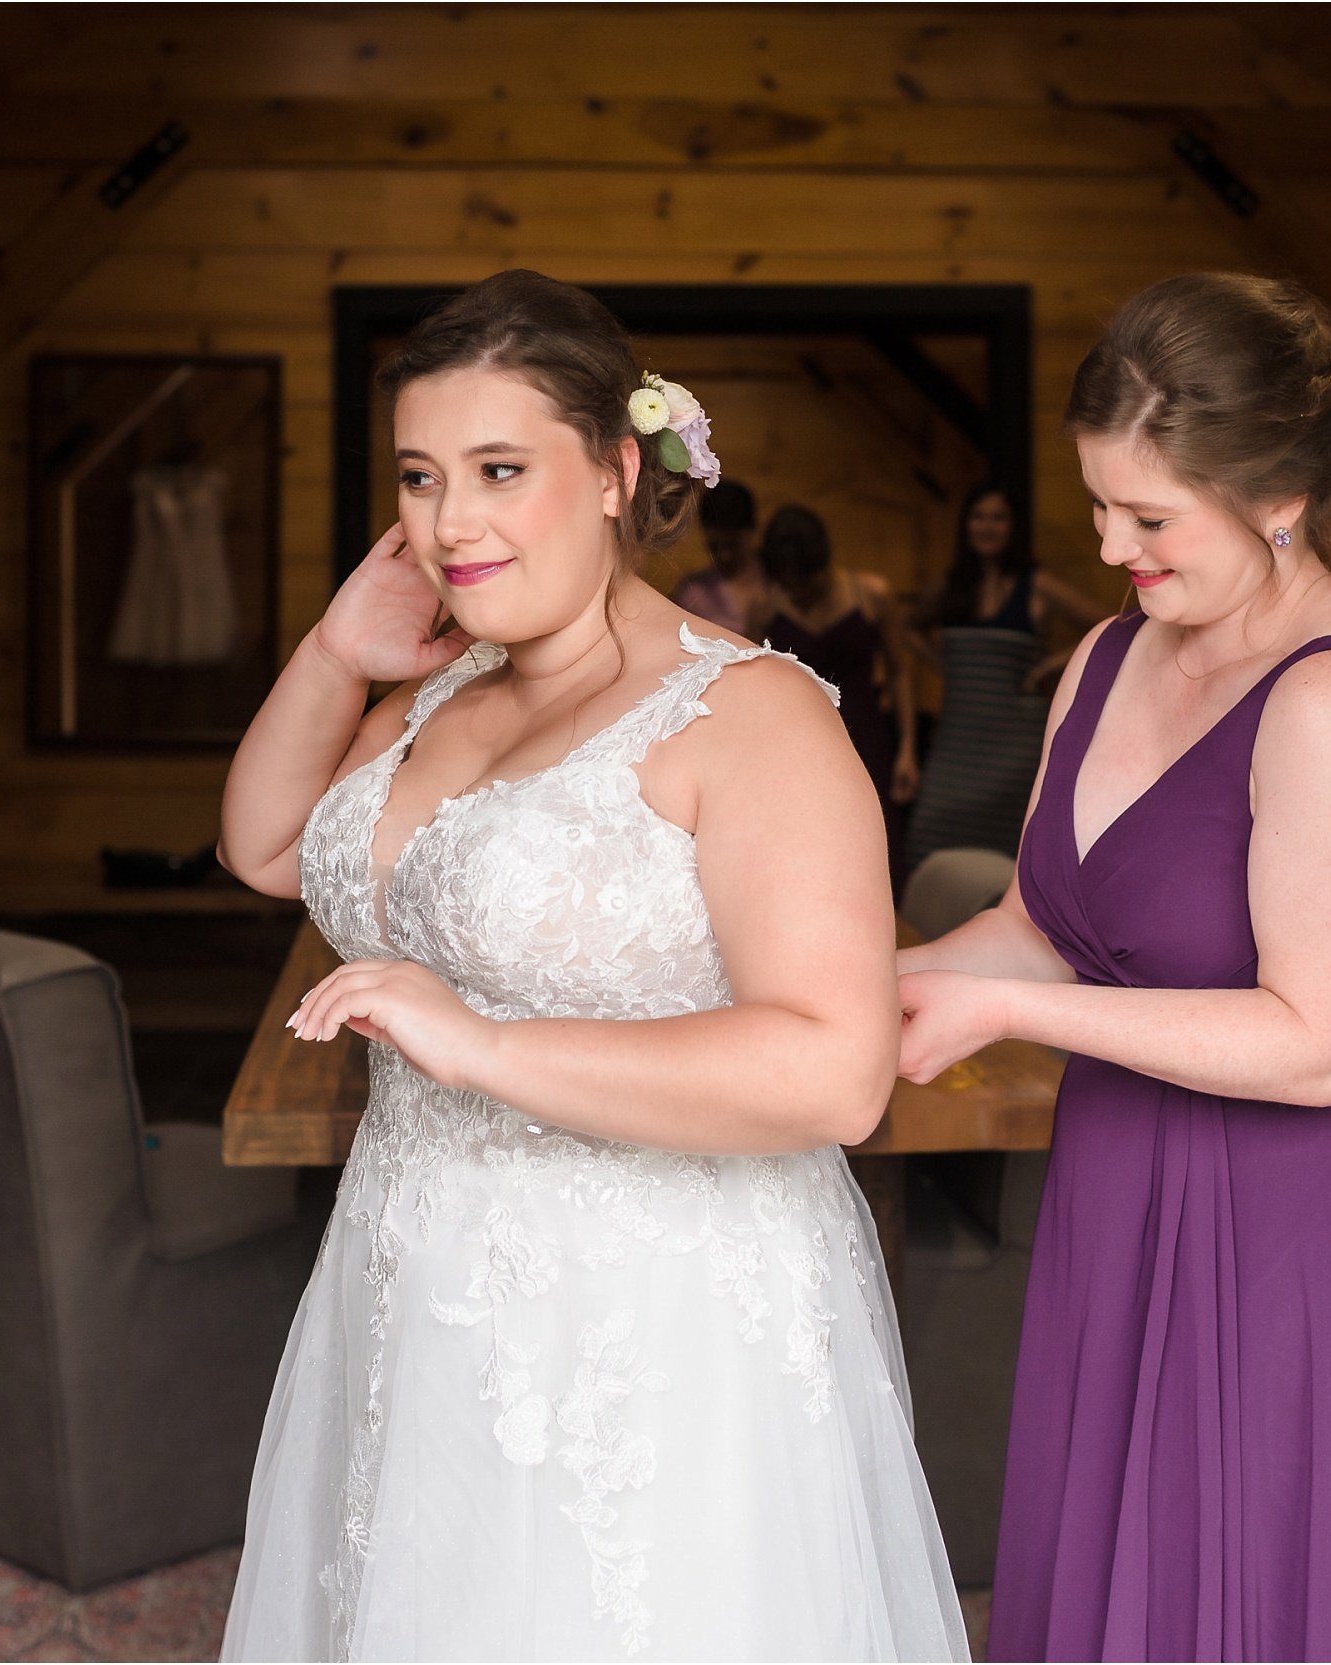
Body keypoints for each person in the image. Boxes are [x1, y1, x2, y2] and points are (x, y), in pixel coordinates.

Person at [212, 269, 965, 1662]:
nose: (451, 523)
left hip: (642, 1323)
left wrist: (482, 1042)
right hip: (415, 1275)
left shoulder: (751, 718)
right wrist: (334, 651)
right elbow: (269, 848)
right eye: (423, 477)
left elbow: (835, 1067)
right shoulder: (434, 689)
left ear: (620, 469)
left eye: (501, 469)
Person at [895, 273, 1331, 1660]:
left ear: (1280, 495)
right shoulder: (1110, 659)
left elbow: (1318, 1040)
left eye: (1152, 516)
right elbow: (1052, 921)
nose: (1115, 545)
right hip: (1125, 1176)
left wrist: (1004, 1010)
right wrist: (876, 979)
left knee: (1279, 1580)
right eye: (1100, 505)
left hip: (1313, 1218)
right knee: (1137, 1566)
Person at [903, 484, 1106, 876]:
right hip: (956, 746)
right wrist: (948, 668)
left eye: (998, 517)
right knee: (927, 847)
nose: (988, 526)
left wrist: (1054, 666)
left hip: (1015, 749)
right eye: (980, 516)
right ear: (966, 524)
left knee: (1005, 864)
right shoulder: (952, 586)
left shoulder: (1036, 584)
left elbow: (1111, 624)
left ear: (1013, 527)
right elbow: (908, 628)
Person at [751, 504, 919, 872]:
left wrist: (907, 747)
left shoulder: (872, 593)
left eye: (808, 583)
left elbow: (899, 672)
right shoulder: (764, 610)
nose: (800, 594)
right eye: (789, 584)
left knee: (877, 845)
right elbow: (753, 687)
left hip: (867, 735)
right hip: (797, 742)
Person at [669, 475, 760, 632]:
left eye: (733, 545)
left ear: (752, 531)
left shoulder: (776, 583)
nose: (725, 556)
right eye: (715, 547)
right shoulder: (694, 593)